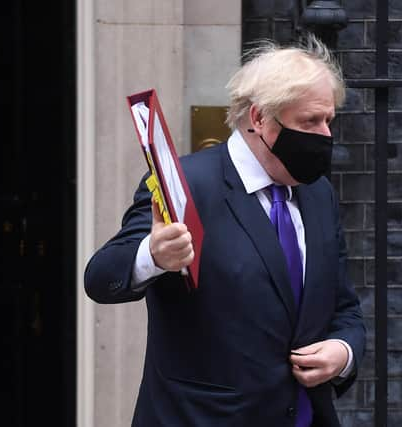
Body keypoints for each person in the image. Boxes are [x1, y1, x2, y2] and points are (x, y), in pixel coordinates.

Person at [84, 34, 365, 427]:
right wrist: (152, 255)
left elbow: (344, 307)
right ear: (260, 118)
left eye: (328, 120)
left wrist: (343, 351)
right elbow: (100, 277)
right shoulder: (186, 185)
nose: (325, 135)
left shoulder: (317, 194)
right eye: (310, 121)